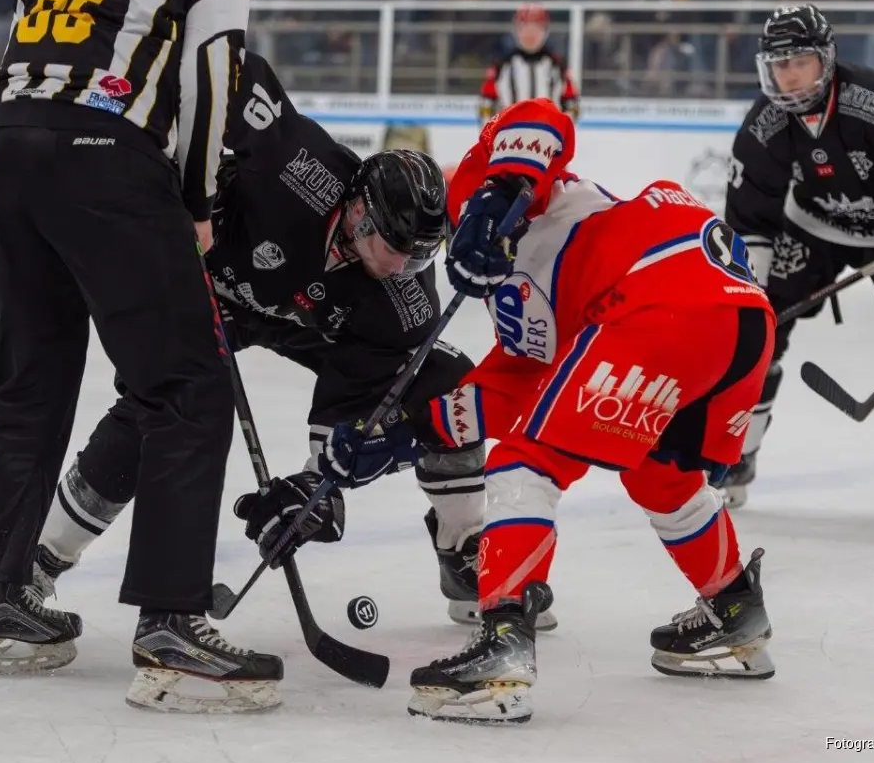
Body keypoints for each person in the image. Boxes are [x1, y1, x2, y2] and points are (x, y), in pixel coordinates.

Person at [29, 49, 560, 703]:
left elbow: (353, 412)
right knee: (161, 409)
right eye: (396, 248)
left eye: (420, 256)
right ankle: (39, 562)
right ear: (359, 208)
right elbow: (232, 66)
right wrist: (176, 149)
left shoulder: (397, 301)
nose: (403, 267)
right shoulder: (297, 164)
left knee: (445, 381)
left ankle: (461, 553)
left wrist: (312, 492)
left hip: (316, 325)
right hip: (212, 288)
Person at [320, 97, 778, 725]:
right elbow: (515, 388)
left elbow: (540, 117)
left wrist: (490, 199)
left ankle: (502, 646)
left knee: (525, 462)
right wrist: (402, 438)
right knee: (659, 472)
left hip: (661, 296)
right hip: (738, 318)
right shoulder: (522, 291)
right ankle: (734, 608)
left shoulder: (490, 187)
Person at [0, 0, 273, 712]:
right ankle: (171, 623)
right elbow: (208, 76)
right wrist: (195, 202)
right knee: (188, 385)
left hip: (2, 140)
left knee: (25, 379)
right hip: (104, 147)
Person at [719, 3, 874, 509]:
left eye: (799, 61)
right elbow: (750, 222)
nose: (787, 76)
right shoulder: (765, 125)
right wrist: (753, 304)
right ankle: (737, 456)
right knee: (759, 336)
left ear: (827, 59)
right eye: (778, 63)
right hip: (811, 227)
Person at [478, 3, 579, 126]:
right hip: (508, 140)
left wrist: (562, 136)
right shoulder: (501, 65)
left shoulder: (558, 66)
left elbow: (572, 104)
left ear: (545, 31)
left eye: (537, 28)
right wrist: (490, 139)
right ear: (516, 30)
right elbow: (486, 105)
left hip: (550, 139)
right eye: (524, 27)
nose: (530, 34)